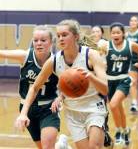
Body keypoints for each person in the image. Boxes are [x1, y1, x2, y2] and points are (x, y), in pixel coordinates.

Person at [15, 19, 109, 149]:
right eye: (58, 36)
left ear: (76, 36)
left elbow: (105, 90)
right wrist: (23, 113)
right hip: (72, 111)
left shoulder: (91, 55)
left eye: (65, 35)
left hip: (94, 106)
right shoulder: (54, 61)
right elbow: (35, 88)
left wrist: (91, 77)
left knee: (94, 147)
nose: (61, 38)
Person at [0, 25, 63, 149]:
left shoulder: (58, 61)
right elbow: (2, 53)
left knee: (47, 147)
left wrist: (60, 97)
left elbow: (67, 84)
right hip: (27, 107)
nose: (39, 43)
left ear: (51, 42)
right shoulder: (25, 56)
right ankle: (61, 146)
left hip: (49, 108)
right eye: (36, 40)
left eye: (43, 40)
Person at [98, 22, 138, 147]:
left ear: (123, 33)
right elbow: (98, 58)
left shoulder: (130, 45)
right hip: (109, 82)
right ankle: (125, 130)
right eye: (113, 33)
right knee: (119, 109)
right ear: (110, 34)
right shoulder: (106, 46)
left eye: (118, 32)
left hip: (124, 80)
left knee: (113, 105)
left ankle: (118, 131)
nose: (115, 34)